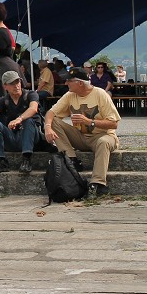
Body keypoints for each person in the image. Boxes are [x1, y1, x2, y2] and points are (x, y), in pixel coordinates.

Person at [43, 67, 121, 197]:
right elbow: (51, 112)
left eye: (69, 81)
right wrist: (47, 127)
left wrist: (89, 122)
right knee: (54, 121)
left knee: (103, 142)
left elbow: (114, 123)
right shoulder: (70, 95)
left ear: (80, 83)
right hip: (81, 137)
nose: (66, 83)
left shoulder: (100, 94)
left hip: (103, 136)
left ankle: (97, 183)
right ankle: (71, 159)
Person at [0, 70, 41, 175]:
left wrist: (19, 119)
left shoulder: (31, 94)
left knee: (28, 121)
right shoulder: (4, 100)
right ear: (5, 86)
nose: (16, 86)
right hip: (14, 137)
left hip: (31, 137)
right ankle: (1, 160)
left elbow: (33, 108)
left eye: (17, 82)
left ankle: (26, 159)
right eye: (12, 84)